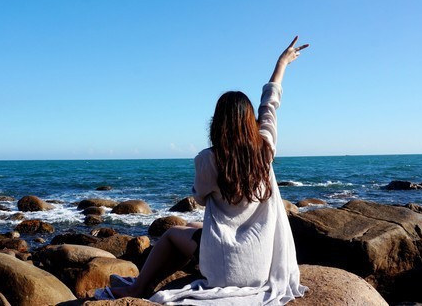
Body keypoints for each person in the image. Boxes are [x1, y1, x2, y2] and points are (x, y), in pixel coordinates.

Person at [108, 36, 309, 305]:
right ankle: (141, 283)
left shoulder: (209, 159)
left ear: (218, 123)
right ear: (251, 121)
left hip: (226, 269)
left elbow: (201, 198)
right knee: (193, 227)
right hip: (262, 265)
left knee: (170, 235)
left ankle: (139, 288)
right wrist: (282, 63)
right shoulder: (265, 151)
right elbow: (270, 105)